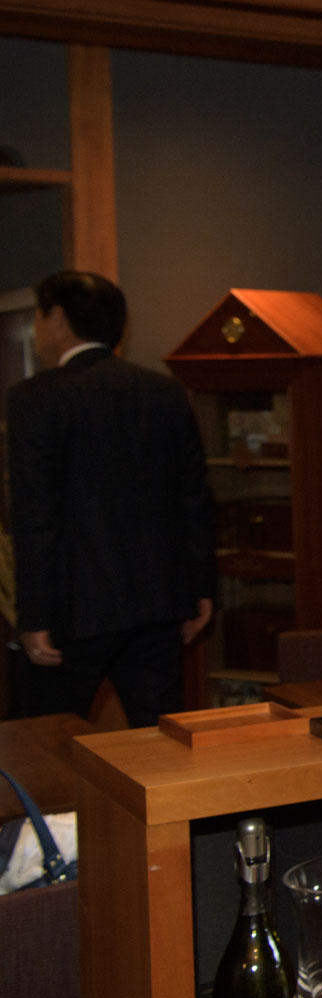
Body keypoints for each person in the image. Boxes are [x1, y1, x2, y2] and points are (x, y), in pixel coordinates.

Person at [5, 271, 215, 728]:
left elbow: (36, 516)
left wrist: (33, 616)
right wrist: (201, 589)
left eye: (41, 317)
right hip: (159, 603)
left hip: (71, 611)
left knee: (44, 744)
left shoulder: (34, 398)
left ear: (57, 319)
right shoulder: (164, 393)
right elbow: (193, 497)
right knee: (159, 743)